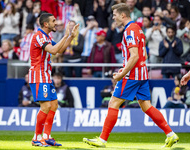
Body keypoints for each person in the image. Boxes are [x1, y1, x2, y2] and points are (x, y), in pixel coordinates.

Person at [83, 3, 179, 148]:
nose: (113, 18)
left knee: (113, 103)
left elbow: (134, 56)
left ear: (123, 15)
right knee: (146, 106)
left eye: (115, 15)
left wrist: (122, 73)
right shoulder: (138, 29)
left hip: (132, 75)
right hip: (142, 74)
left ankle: (102, 140)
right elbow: (143, 53)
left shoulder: (130, 31)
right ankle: (171, 134)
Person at [29, 13, 79, 147]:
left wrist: (71, 37)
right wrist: (65, 34)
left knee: (54, 105)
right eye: (53, 21)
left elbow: (61, 50)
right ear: (46, 24)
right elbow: (53, 50)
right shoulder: (38, 36)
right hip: (39, 75)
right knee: (45, 106)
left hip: (46, 75)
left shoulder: (46, 36)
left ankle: (46, 136)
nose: (56, 23)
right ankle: (36, 138)